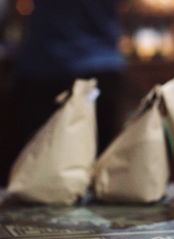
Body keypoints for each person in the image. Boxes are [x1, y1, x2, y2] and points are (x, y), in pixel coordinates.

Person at [4, 0, 126, 185]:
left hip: (46, 64)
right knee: (100, 163)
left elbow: (17, 10)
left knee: (35, 162)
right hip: (99, 62)